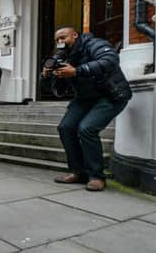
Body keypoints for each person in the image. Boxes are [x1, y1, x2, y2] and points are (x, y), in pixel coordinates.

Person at [42, 25, 132, 192]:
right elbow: (58, 90)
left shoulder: (93, 44)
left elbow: (110, 60)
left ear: (75, 35)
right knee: (66, 127)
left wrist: (77, 71)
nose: (60, 42)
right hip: (85, 98)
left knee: (87, 128)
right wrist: (48, 76)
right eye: (57, 40)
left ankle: (96, 176)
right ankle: (78, 172)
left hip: (111, 94)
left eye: (63, 37)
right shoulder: (62, 56)